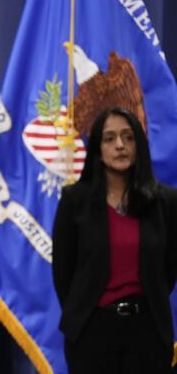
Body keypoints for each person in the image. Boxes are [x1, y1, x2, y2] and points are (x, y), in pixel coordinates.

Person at [52, 107, 177, 373]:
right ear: (97, 148)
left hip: (149, 332)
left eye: (128, 137)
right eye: (109, 138)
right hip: (91, 332)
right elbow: (63, 274)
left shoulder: (165, 202)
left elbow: (168, 271)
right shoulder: (75, 201)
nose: (120, 145)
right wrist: (86, 315)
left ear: (139, 145)